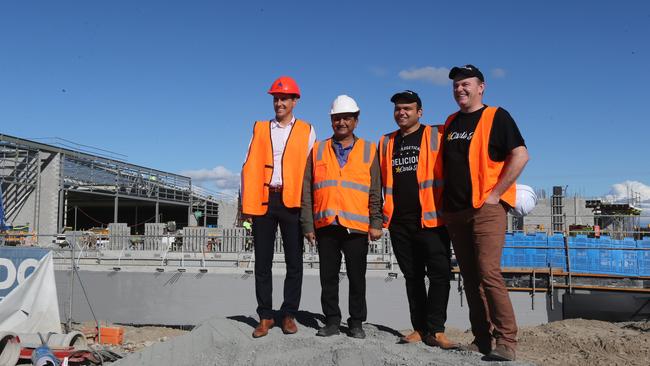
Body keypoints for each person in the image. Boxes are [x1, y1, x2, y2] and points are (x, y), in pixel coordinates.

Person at [442, 65, 529, 361]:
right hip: (456, 212)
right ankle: (482, 339)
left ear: (481, 87)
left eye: (465, 83)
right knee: (470, 277)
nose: (459, 89)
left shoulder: (497, 116)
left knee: (489, 272)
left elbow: (520, 154)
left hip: (486, 209)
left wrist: (495, 195)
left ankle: (506, 341)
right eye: (455, 85)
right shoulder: (451, 122)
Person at [378, 90, 457, 349]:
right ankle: (419, 328)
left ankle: (437, 330)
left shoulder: (436, 135)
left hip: (431, 219)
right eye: (398, 109)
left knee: (439, 275)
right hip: (400, 221)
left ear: (419, 112)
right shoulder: (386, 142)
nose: (402, 112)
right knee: (412, 277)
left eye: (407, 109)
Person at [300, 95, 383, 339]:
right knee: (328, 277)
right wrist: (308, 224)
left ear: (356, 121)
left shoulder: (369, 150)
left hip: (356, 226)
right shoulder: (317, 150)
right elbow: (307, 189)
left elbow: (375, 191)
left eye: (347, 118)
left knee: (357, 278)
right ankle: (332, 320)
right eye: (337, 118)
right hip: (326, 225)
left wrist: (376, 222)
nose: (341, 122)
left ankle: (356, 322)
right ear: (331, 120)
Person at [240, 76, 316, 338]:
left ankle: (289, 315)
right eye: (276, 98)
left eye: (284, 98)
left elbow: (311, 172)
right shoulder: (260, 127)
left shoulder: (307, 130)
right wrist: (244, 208)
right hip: (264, 201)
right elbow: (248, 166)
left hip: (292, 201)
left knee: (294, 262)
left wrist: (309, 210)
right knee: (262, 262)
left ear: (295, 101)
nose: (279, 103)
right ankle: (265, 316)